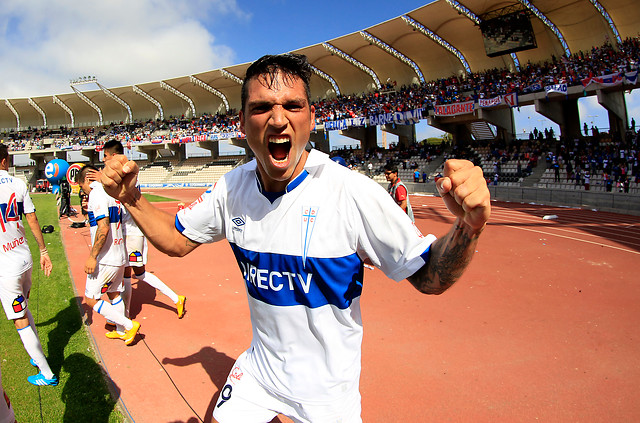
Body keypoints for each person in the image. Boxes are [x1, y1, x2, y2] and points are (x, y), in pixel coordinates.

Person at [101, 53, 490, 423]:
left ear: (312, 117)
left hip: (327, 393)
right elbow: (175, 240)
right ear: (241, 122)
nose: (277, 119)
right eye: (261, 107)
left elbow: (430, 275)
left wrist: (468, 226)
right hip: (261, 371)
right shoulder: (231, 188)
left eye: (292, 105)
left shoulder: (351, 193)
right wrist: (131, 197)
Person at [101, 140, 186, 319]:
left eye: (106, 156)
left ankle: (175, 298)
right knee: (125, 274)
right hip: (125, 233)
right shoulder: (116, 175)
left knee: (138, 274)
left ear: (114, 156)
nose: (103, 159)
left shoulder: (127, 173)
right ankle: (123, 318)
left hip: (133, 234)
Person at [0, 144, 57, 386]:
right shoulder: (18, 183)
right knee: (23, 309)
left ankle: (47, 374)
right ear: (5, 160)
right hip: (24, 258)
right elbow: (32, 218)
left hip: (6, 267)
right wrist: (43, 250)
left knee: (19, 319)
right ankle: (38, 354)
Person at [77, 165, 140, 345]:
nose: (84, 192)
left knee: (90, 299)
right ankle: (121, 331)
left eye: (82, 187)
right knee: (114, 293)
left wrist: (92, 256)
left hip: (106, 258)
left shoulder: (96, 193)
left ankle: (128, 325)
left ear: (87, 181)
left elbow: (103, 227)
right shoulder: (111, 192)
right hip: (120, 254)